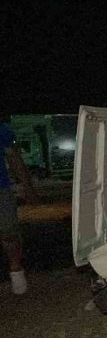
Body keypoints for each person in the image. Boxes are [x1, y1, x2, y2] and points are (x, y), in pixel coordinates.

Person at [0, 121, 38, 294]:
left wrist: (27, 187)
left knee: (9, 232)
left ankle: (16, 269)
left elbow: (14, 158)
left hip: (1, 189)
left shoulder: (2, 130)